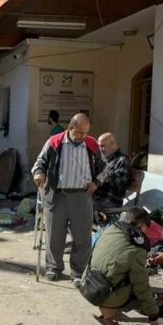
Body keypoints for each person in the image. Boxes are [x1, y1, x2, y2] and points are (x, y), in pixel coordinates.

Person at [31, 112, 104, 281]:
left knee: (82, 237)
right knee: (54, 235)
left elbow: (104, 168)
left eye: (86, 132)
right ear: (70, 128)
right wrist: (39, 173)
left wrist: (96, 183)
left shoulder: (91, 144)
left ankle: (78, 271)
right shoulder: (54, 142)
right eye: (80, 132)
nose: (83, 136)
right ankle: (53, 267)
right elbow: (40, 162)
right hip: (57, 195)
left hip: (82, 195)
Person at [84, 208, 163, 325]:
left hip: (88, 284)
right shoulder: (136, 247)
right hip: (106, 293)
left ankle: (108, 310)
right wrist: (153, 316)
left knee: (119, 274)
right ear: (143, 226)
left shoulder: (110, 230)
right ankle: (108, 314)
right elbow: (141, 286)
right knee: (156, 299)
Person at [94, 133, 131, 211]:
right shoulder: (104, 159)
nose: (100, 149)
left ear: (112, 143)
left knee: (80, 204)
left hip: (108, 201)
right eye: (99, 146)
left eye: (102, 146)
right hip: (96, 198)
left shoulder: (122, 160)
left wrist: (104, 175)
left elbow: (121, 181)